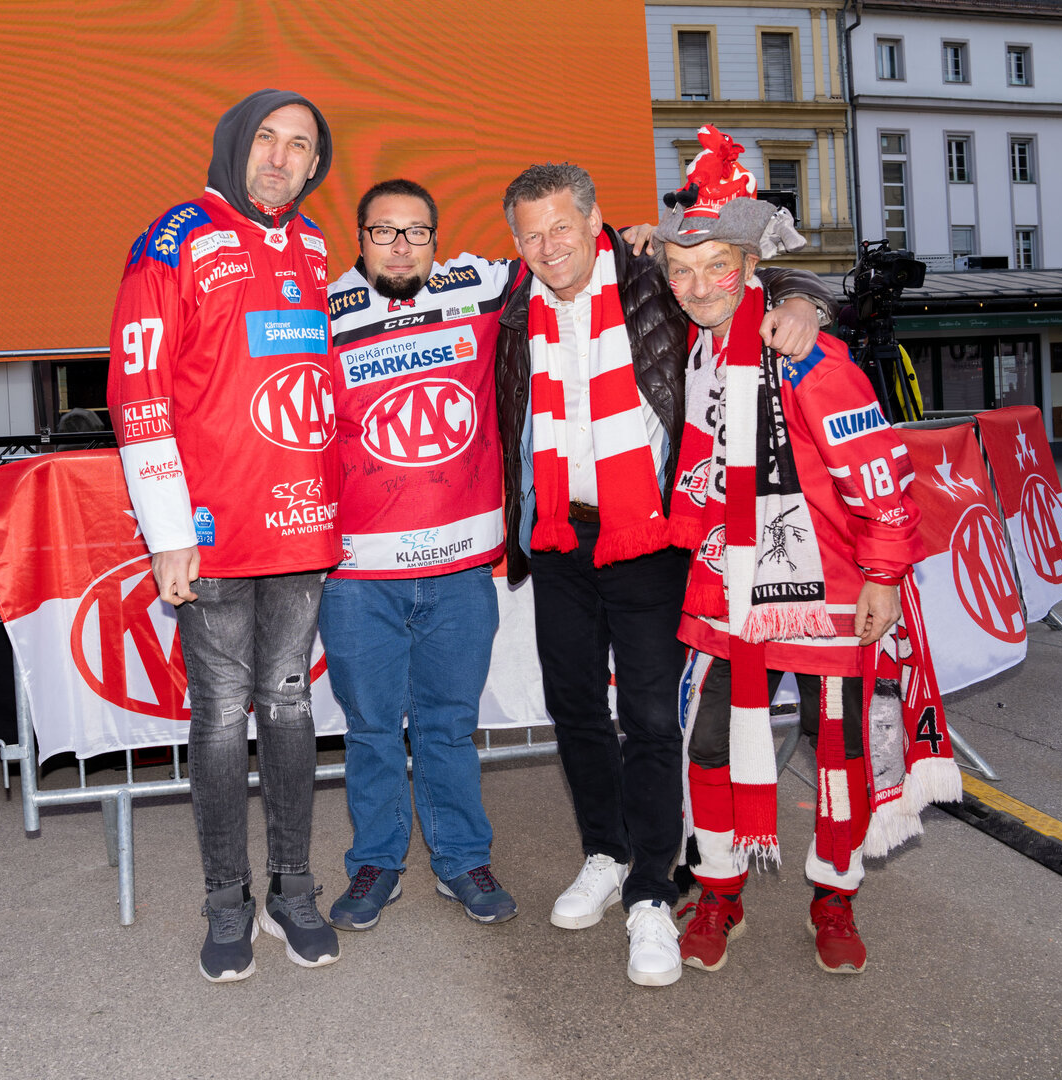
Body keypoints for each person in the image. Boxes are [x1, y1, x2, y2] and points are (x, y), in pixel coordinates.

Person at [492, 161, 834, 987]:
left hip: (649, 536)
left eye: (562, 227)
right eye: (531, 235)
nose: (549, 247)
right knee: (576, 708)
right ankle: (605, 855)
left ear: (595, 221)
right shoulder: (512, 300)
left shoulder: (653, 276)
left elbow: (747, 268)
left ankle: (651, 889)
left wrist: (804, 303)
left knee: (648, 718)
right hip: (559, 536)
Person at [652, 126, 956, 975]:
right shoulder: (700, 346)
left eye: (716, 266)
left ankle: (835, 894)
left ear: (751, 267)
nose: (696, 286)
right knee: (708, 746)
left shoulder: (806, 352)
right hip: (727, 587)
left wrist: (885, 574)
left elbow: (879, 470)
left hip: (828, 586)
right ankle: (719, 892)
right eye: (681, 270)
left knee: (839, 753)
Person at [107, 89, 342, 983]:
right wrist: (168, 533)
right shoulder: (174, 239)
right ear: (237, 144)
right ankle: (226, 900)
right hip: (209, 535)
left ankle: (292, 891)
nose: (280, 158)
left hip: (301, 529)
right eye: (267, 139)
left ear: (315, 164)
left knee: (289, 707)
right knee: (217, 716)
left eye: (300, 145)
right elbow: (137, 391)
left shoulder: (315, 245)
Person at [321, 179, 518, 930]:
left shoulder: (479, 285)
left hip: (459, 567)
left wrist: (800, 298)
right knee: (371, 731)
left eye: (416, 232)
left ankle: (462, 858)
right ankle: (375, 861)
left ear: (437, 237)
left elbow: (573, 261)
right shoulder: (319, 313)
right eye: (384, 231)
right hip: (357, 576)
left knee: (448, 726)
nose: (401, 247)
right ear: (360, 238)